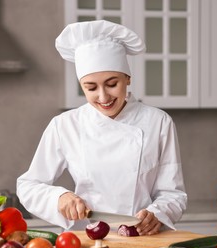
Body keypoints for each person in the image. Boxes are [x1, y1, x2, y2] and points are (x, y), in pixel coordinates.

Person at [16, 20, 187, 235]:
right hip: (85, 241)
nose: (103, 97)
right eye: (91, 87)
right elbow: (28, 185)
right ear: (82, 86)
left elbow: (173, 194)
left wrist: (158, 214)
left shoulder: (158, 122)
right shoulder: (65, 125)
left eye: (112, 84)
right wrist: (59, 198)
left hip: (141, 238)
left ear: (128, 78)